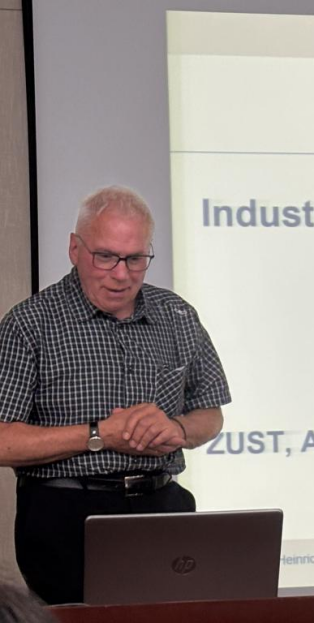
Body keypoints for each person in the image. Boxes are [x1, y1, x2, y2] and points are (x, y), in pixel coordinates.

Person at [0, 186, 231, 605]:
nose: (122, 274)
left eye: (135, 259)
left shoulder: (178, 315)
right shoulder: (29, 324)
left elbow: (210, 413)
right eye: (105, 256)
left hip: (163, 505)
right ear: (75, 249)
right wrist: (99, 434)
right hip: (66, 513)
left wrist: (178, 429)